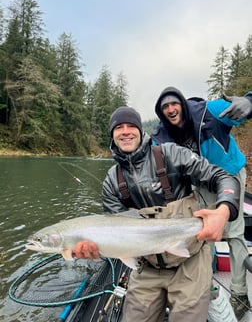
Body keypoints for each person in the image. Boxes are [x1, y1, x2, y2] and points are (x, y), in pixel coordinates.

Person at [73, 106, 241, 322]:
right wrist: (100, 249)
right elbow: (116, 235)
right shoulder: (111, 181)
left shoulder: (172, 154)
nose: (125, 131)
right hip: (147, 266)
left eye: (131, 126)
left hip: (191, 260)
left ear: (141, 130)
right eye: (119, 127)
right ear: (112, 135)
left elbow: (224, 178)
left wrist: (224, 210)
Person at [152, 87, 252, 321]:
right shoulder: (162, 134)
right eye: (164, 107)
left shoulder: (210, 111)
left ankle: (239, 293)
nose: (170, 109)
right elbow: (147, 155)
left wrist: (249, 102)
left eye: (173, 104)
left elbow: (247, 107)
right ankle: (208, 289)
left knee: (234, 233)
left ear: (182, 105)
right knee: (203, 232)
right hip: (203, 181)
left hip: (231, 174)